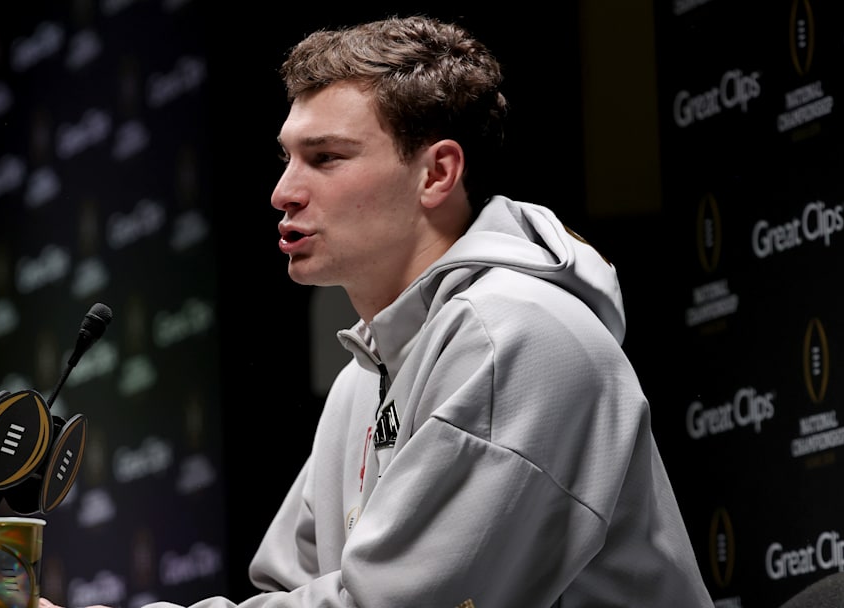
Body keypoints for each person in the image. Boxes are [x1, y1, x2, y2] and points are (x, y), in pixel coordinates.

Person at [42, 14, 714, 608]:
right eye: (286, 159)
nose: (282, 192)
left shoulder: (514, 338)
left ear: (436, 173)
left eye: (325, 158)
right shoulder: (360, 378)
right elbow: (289, 590)